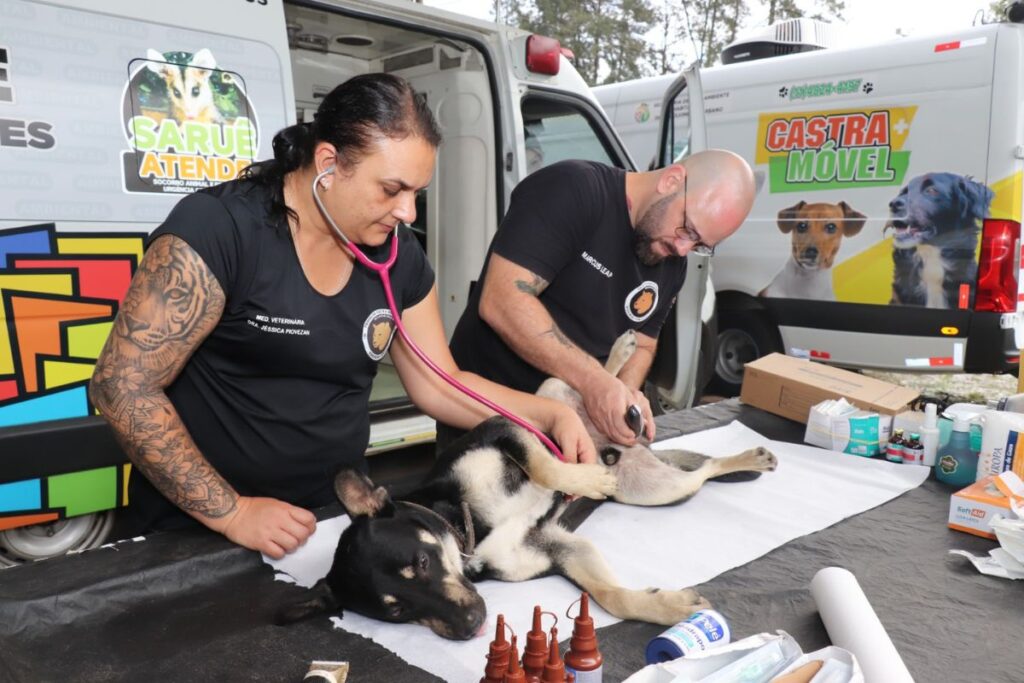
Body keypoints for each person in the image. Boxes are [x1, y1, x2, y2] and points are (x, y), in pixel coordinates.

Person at [89, 74, 595, 560]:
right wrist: (232, 513)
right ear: (328, 163)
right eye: (392, 189)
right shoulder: (219, 231)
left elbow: (442, 385)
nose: (408, 213)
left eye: (416, 193)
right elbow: (122, 386)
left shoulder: (398, 257)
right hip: (199, 529)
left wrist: (546, 414)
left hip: (330, 520)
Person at [442, 150, 756, 448]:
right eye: (687, 230)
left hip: (569, 433)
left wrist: (626, 394)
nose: (684, 249)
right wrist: (595, 383)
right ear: (670, 180)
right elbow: (502, 300)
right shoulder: (574, 190)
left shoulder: (673, 264)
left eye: (700, 244)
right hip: (486, 417)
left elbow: (643, 343)